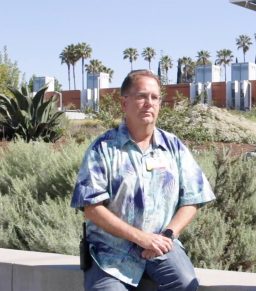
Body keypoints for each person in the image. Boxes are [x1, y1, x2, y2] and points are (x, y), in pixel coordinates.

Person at [71, 69, 215, 291]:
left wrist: (167, 235)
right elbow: (92, 209)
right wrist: (141, 238)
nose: (149, 103)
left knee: (185, 284)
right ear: (124, 103)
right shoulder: (102, 149)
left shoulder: (173, 146)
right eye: (141, 96)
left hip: (161, 245)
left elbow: (193, 198)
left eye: (155, 97)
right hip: (111, 252)